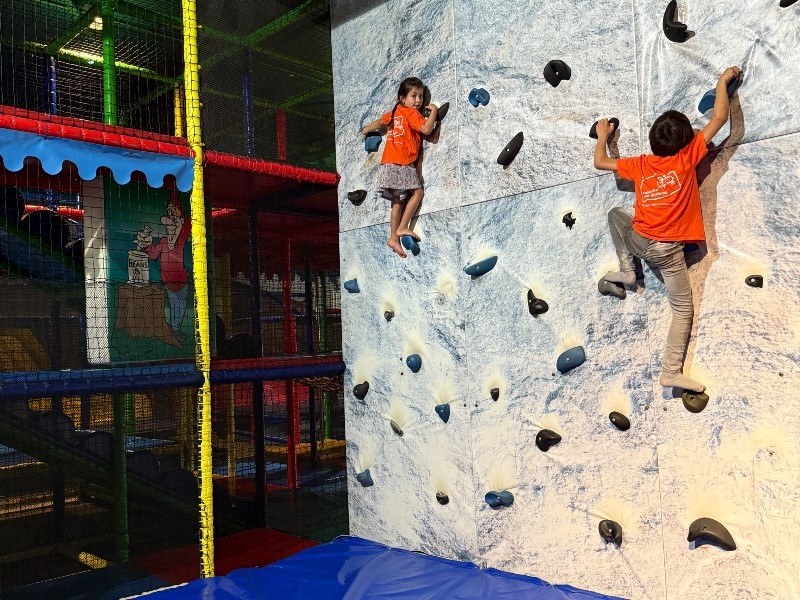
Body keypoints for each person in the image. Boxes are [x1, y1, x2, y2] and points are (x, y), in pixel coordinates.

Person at [593, 66, 743, 393]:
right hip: (668, 253)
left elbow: (601, 163)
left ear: (653, 142)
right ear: (686, 141)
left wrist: (605, 138)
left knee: (616, 215)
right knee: (683, 309)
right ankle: (670, 372)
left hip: (639, 239)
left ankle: (628, 272)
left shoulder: (642, 164)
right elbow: (720, 119)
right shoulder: (688, 157)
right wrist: (722, 82)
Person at [361, 77, 438, 258]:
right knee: (417, 193)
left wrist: (366, 129)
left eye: (421, 96)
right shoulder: (412, 114)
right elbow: (426, 130)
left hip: (387, 164)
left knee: (397, 201)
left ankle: (393, 238)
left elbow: (380, 122)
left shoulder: (395, 112)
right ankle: (403, 227)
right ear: (403, 98)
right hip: (401, 163)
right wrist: (433, 110)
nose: (418, 101)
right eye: (414, 96)